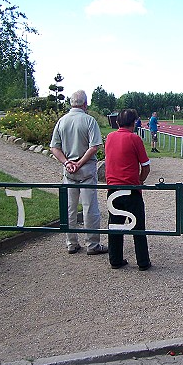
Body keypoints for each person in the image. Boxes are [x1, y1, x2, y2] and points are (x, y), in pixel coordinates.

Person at [50, 90, 107, 255]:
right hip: (87, 168)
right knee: (90, 208)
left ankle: (71, 243)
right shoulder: (89, 120)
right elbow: (94, 146)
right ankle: (92, 244)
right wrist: (80, 162)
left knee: (70, 208)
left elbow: (55, 147)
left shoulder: (62, 121)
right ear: (85, 103)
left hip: (69, 170)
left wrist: (67, 162)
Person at [104, 108, 152, 271]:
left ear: (117, 122)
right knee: (138, 226)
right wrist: (140, 181)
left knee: (115, 225)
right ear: (134, 123)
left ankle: (115, 259)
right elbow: (146, 167)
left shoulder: (110, 137)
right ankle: (143, 262)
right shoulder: (134, 139)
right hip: (131, 189)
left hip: (113, 189)